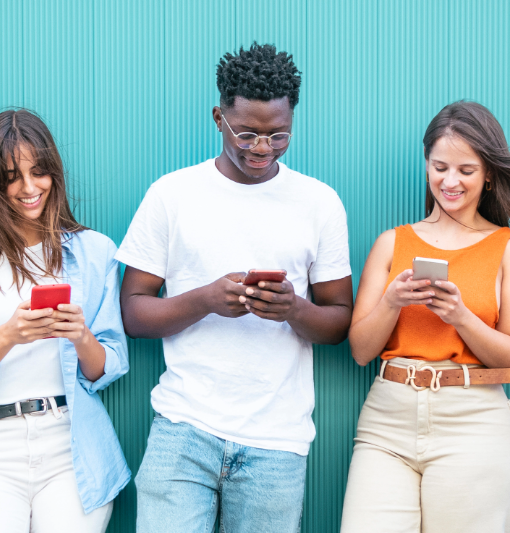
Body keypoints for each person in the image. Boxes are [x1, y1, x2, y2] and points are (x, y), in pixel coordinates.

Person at [116, 43, 353, 533]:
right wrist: (205, 300)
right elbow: (133, 314)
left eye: (278, 135)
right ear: (218, 117)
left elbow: (338, 321)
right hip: (182, 429)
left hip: (277, 441)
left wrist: (293, 309)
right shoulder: (171, 195)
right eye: (246, 133)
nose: (262, 148)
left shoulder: (319, 203)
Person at [340, 101, 510, 532]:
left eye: (466, 170)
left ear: (488, 174)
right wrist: (391, 302)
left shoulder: (509, 248)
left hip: (474, 421)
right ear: (427, 165)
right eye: (440, 166)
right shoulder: (392, 243)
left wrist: (461, 316)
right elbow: (360, 350)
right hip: (388, 417)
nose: (450, 181)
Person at [0, 109, 129, 533]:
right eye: (12, 175)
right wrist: (9, 335)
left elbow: (109, 367)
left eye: (39, 172)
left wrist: (81, 335)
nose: (29, 188)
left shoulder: (95, 251)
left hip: (70, 442)